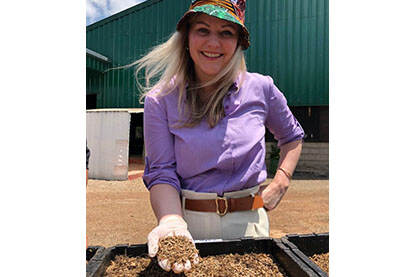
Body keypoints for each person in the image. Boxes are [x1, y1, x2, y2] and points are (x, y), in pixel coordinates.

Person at [135, 0, 304, 273]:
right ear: (187, 37)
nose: (213, 42)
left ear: (238, 41)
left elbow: (292, 136)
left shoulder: (262, 88)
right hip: (188, 226)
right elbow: (162, 172)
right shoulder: (160, 100)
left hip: (250, 223)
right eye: (203, 30)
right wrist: (170, 222)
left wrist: (282, 180)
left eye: (226, 32)